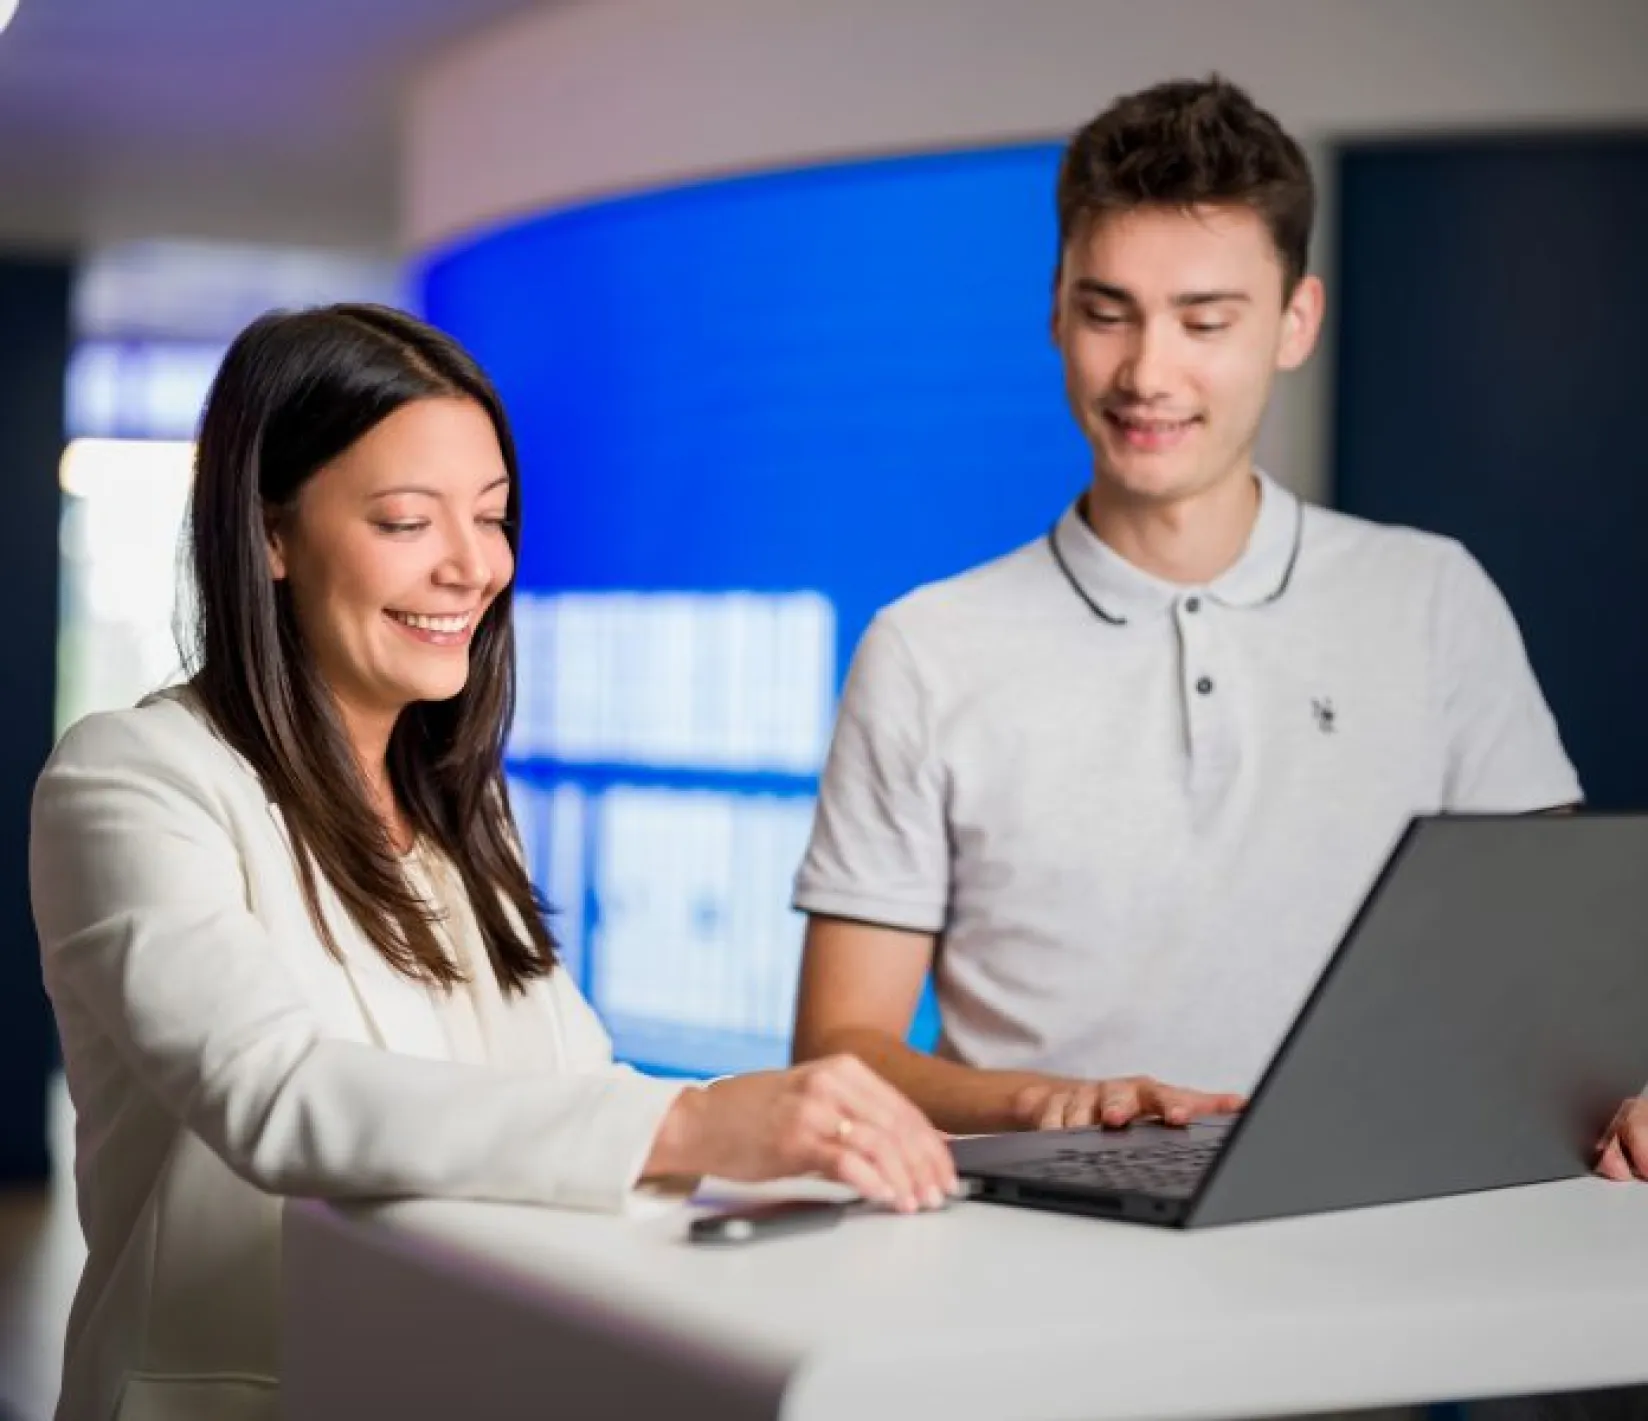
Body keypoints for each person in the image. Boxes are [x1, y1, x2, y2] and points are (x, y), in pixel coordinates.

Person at [30, 304, 958, 1421]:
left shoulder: (461, 812)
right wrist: (691, 1129)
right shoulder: (134, 778)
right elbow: (276, 1093)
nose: (474, 566)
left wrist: (773, 1114)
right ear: (271, 534)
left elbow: (569, 1093)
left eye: (492, 515)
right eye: (408, 520)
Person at [790, 75, 1647, 1180]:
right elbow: (837, 1049)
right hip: (1033, 1244)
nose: (1149, 372)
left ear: (1295, 321)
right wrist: (1056, 1103)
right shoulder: (924, 647)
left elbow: (1558, 971)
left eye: (1204, 320)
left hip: (1378, 1215)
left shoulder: (1431, 597)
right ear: (1054, 309)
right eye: (1108, 313)